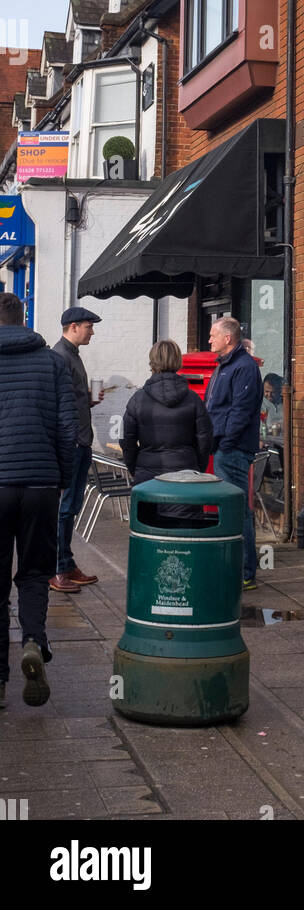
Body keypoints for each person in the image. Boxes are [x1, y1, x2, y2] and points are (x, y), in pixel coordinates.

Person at [0, 292, 77, 707]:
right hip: (41, 485)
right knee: (33, 574)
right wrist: (60, 477)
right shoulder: (52, 362)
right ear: (23, 319)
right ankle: (32, 640)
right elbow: (68, 430)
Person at [120, 340, 213, 521]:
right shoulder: (193, 399)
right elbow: (205, 439)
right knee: (184, 534)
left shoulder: (137, 400)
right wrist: (196, 468)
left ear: (152, 361)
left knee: (149, 535)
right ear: (178, 361)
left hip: (147, 479)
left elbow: (126, 440)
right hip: (185, 477)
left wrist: (135, 467)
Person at [205, 317, 263, 589]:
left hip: (233, 450)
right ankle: (235, 568)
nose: (209, 340)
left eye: (213, 335)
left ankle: (245, 572)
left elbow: (241, 410)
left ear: (228, 338)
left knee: (238, 511)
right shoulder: (225, 365)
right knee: (230, 509)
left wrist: (226, 443)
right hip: (222, 448)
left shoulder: (244, 367)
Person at [50, 307, 105, 593]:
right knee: (64, 507)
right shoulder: (61, 356)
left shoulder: (72, 356)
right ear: (73, 326)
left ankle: (67, 563)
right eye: (88, 326)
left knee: (72, 507)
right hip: (72, 442)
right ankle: (58, 568)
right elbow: (58, 403)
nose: (92, 331)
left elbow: (70, 398)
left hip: (80, 439)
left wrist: (88, 400)